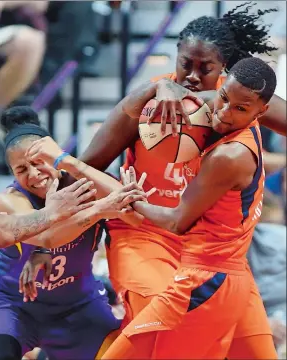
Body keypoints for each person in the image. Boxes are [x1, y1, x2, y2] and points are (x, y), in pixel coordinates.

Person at [75, 4, 286, 359]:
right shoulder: (149, 103)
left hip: (207, 251)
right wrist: (118, 200)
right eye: (185, 63)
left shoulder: (237, 99)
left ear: (225, 68)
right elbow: (84, 168)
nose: (191, 75)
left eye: (205, 68)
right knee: (157, 329)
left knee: (252, 350)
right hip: (143, 234)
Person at [0, 106, 148, 360]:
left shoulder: (82, 183)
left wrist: (68, 161)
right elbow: (48, 234)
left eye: (38, 162)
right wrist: (100, 209)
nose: (33, 174)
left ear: (51, 154)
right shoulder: (9, 200)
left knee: (125, 354)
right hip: (11, 303)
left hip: (76, 306)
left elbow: (134, 213)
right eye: (21, 170)